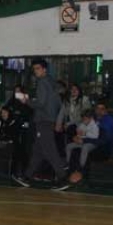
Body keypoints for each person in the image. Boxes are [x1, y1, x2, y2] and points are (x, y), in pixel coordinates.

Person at [14, 59, 79, 190]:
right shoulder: (51, 81)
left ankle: (63, 178)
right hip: (49, 120)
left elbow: (41, 103)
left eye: (38, 68)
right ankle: (26, 177)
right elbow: (56, 102)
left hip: (43, 120)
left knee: (50, 151)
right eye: (34, 69)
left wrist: (25, 100)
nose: (36, 71)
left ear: (44, 69)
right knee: (38, 151)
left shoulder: (42, 82)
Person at [66, 109, 99, 175]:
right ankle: (68, 163)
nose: (84, 121)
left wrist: (85, 134)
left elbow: (95, 136)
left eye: (85, 119)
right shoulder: (83, 123)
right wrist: (77, 135)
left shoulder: (95, 125)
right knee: (69, 146)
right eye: (83, 119)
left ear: (90, 118)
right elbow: (79, 130)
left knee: (85, 148)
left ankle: (81, 166)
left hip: (92, 143)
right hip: (82, 141)